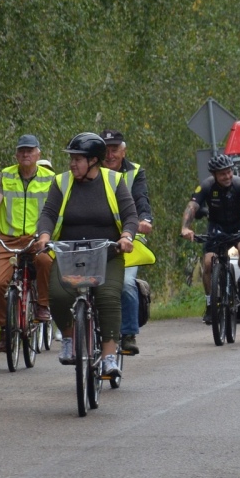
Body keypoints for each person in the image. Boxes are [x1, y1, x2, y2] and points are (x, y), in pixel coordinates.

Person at [35, 132, 137, 377]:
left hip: (107, 253)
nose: (72, 163)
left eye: (77, 159)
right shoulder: (61, 182)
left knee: (108, 296)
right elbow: (48, 213)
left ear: (93, 160)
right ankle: (70, 338)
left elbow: (130, 215)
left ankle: (109, 356)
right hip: (69, 253)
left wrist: (126, 237)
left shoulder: (113, 180)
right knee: (59, 294)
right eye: (71, 158)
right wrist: (44, 236)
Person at [0, 133, 55, 353]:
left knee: (44, 262)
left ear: (38, 153)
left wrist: (47, 235)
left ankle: (42, 305)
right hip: (8, 238)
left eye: (30, 151)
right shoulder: (6, 175)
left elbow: (57, 210)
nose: (25, 154)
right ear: (16, 154)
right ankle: (5, 328)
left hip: (37, 237)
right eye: (22, 151)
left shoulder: (50, 178)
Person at [180, 153, 240, 323]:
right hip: (216, 228)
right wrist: (185, 227)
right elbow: (192, 206)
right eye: (222, 173)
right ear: (214, 175)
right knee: (208, 263)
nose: (227, 176)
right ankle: (210, 304)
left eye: (229, 172)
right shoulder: (206, 186)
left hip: (237, 227)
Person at [100, 130, 154, 355]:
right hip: (99, 237)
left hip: (129, 237)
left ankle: (129, 333)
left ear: (123, 151)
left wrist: (144, 219)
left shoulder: (134, 172)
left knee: (126, 284)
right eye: (105, 150)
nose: (109, 155)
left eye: (114, 149)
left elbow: (141, 198)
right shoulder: (91, 171)